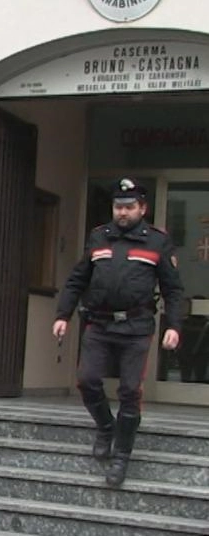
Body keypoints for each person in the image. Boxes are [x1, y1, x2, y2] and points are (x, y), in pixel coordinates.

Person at [52, 177, 184, 487]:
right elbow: (76, 280)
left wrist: (174, 327)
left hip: (137, 327)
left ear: (142, 208)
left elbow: (173, 290)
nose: (122, 213)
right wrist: (63, 315)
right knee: (87, 380)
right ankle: (105, 427)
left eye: (128, 207)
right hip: (99, 324)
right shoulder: (99, 238)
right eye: (117, 206)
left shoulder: (157, 242)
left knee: (129, 391)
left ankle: (121, 457)